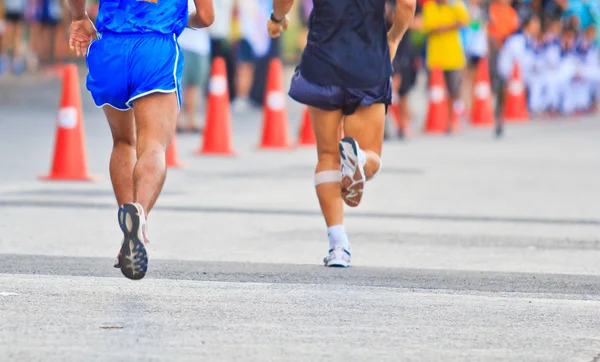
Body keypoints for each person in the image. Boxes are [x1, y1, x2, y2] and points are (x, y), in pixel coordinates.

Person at [66, 0, 214, 280]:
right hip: (154, 49)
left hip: (110, 49)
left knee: (123, 142)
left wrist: (79, 17)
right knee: (153, 147)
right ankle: (139, 214)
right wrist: (181, 18)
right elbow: (206, 17)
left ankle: (128, 234)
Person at [267, 0, 416, 268]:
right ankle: (359, 160)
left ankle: (339, 246)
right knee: (372, 155)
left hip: (322, 59)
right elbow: (406, 4)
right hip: (369, 61)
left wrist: (277, 18)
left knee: (327, 154)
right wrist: (393, 39)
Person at [422, 0, 470, 134]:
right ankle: (435, 121)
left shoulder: (456, 4)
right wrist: (452, 25)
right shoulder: (430, 6)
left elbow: (465, 20)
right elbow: (431, 26)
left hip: (453, 57)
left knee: (453, 91)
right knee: (434, 93)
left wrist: (443, 26)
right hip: (435, 58)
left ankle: (451, 121)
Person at [177, 0, 212, 133]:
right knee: (179, 83)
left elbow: (209, 18)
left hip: (200, 46)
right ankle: (177, 119)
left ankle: (191, 119)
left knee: (195, 84)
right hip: (182, 43)